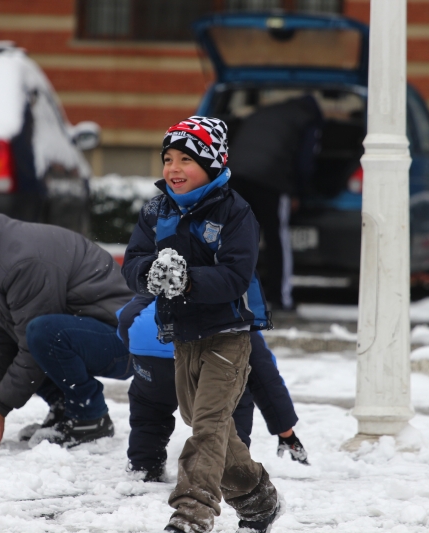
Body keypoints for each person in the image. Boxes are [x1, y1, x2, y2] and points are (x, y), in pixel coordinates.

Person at [122, 116, 281, 533]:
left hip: (227, 334)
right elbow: (133, 260)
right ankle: (258, 497)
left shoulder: (235, 212)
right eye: (168, 159)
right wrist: (150, 273)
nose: (173, 169)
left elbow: (235, 275)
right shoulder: (157, 210)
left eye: (186, 160)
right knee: (206, 423)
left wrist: (188, 279)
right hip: (182, 335)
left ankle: (192, 512)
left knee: (208, 427)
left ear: (211, 165)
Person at [0, 204, 134, 447]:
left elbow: (33, 345)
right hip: (83, 330)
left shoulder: (22, 262)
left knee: (43, 334)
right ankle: (64, 407)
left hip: (126, 341)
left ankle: (89, 417)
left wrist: (0, 407)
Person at [119, 296, 309, 484]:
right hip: (209, 346)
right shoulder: (237, 318)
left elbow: (127, 316)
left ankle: (144, 466)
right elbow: (266, 379)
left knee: (150, 406)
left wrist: (135, 346)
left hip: (149, 341)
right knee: (231, 402)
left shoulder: (164, 290)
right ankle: (229, 469)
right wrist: (287, 433)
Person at [226, 94, 323, 311]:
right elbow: (305, 162)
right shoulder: (308, 120)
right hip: (270, 178)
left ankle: (228, 297)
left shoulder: (262, 113)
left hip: (235, 175)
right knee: (276, 236)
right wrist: (298, 191)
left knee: (236, 237)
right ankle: (280, 298)